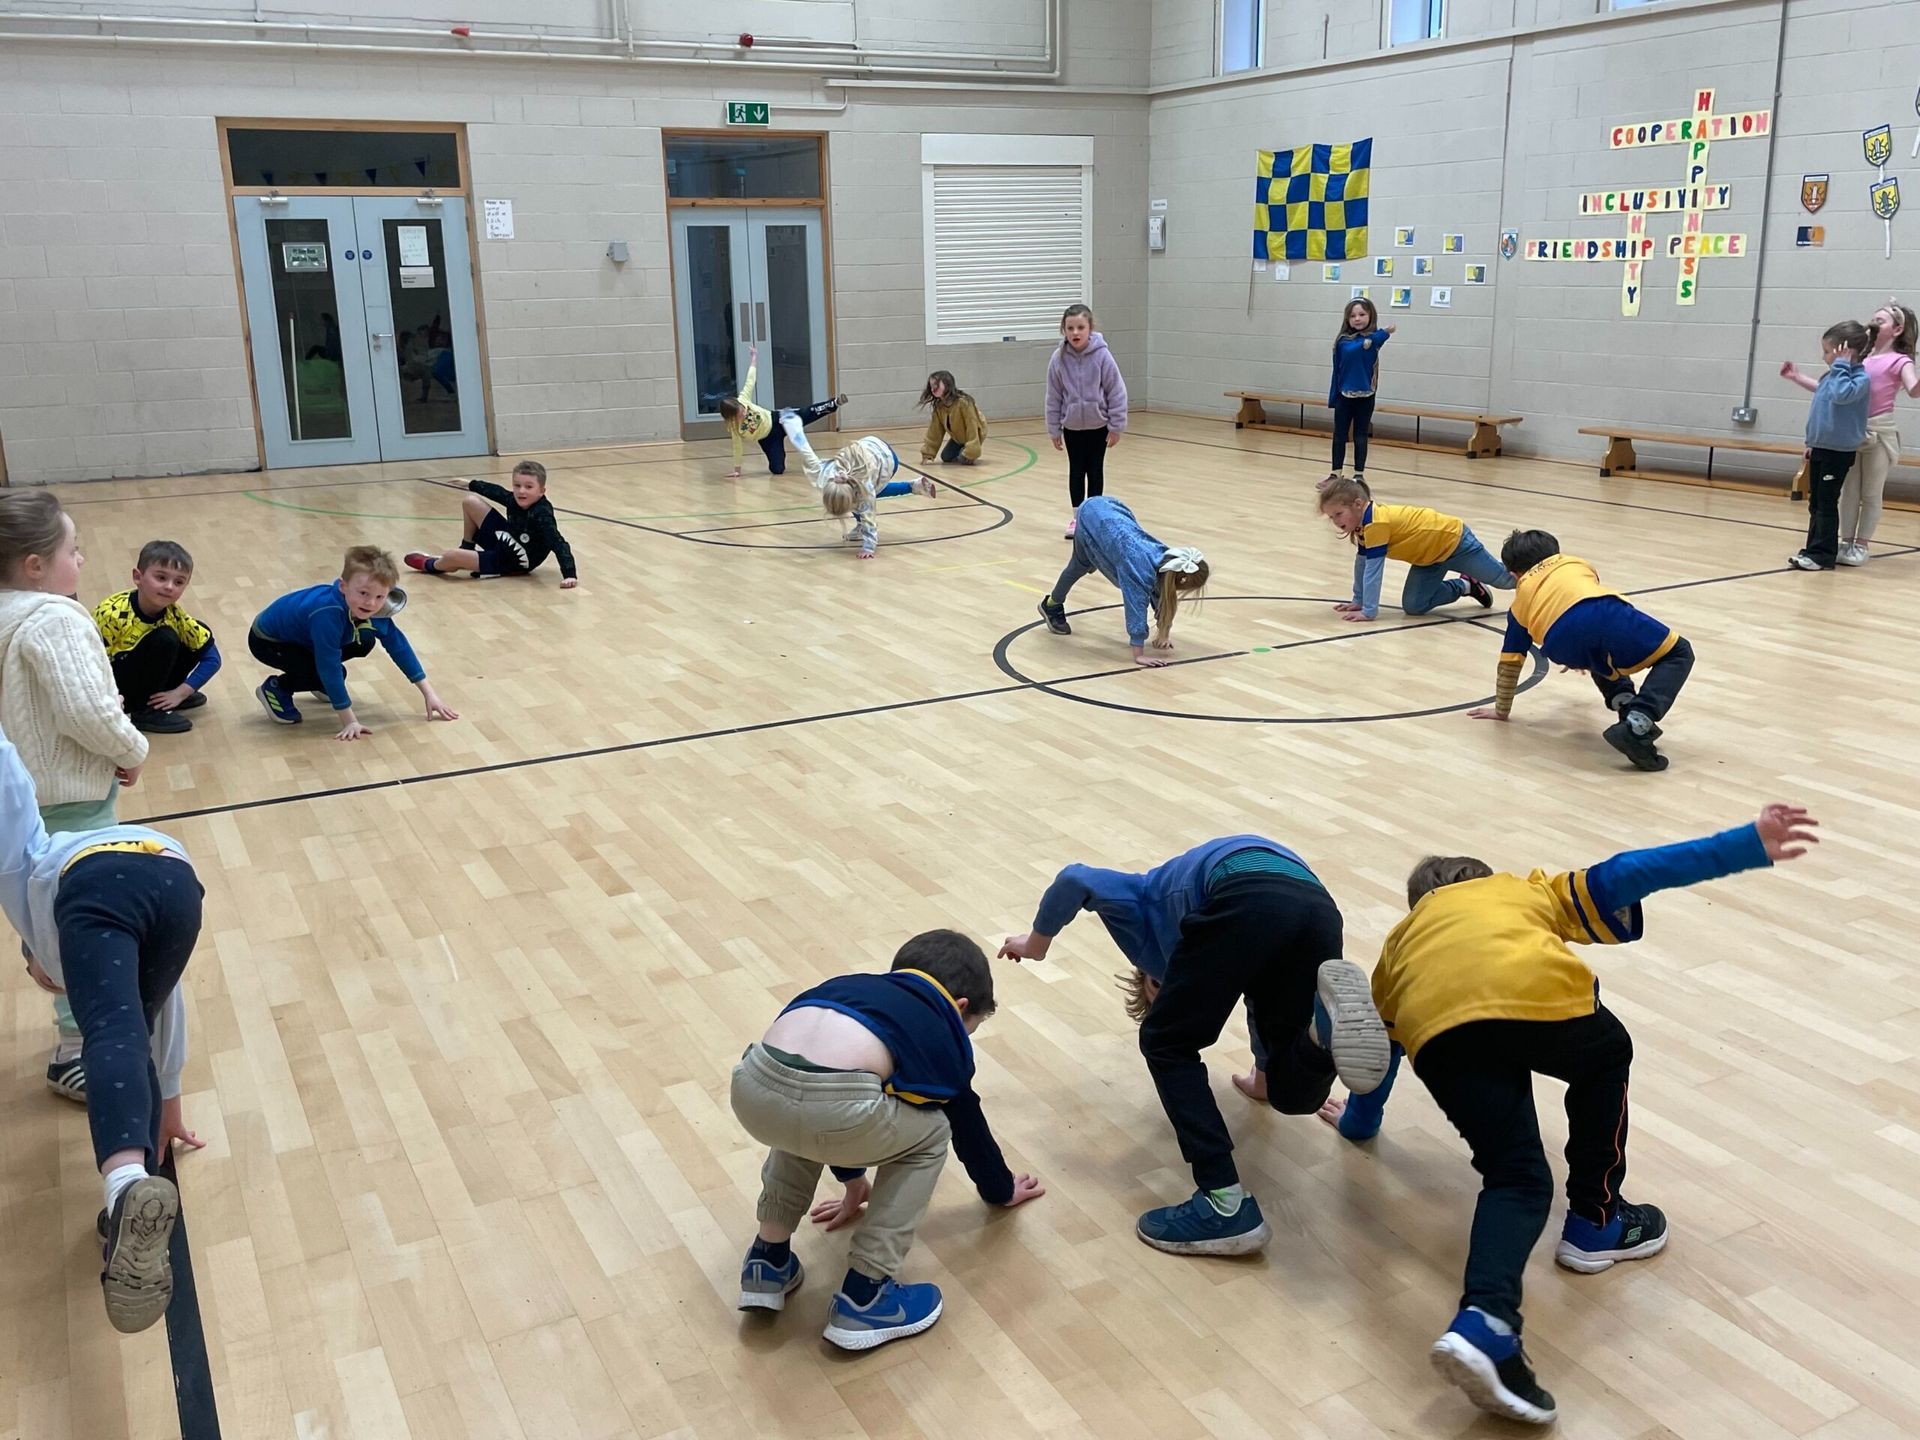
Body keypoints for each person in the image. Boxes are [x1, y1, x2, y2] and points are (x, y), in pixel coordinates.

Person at [1368, 805, 1818, 1425]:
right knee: (1606, 1054)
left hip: (1437, 1031)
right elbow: (1629, 871)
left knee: (1515, 1178)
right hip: (1534, 996)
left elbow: (1377, 1051)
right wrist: (1744, 844)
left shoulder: (1397, 946)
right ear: (1482, 877)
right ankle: (1595, 1221)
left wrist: (1358, 1122)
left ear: (1417, 904)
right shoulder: (1519, 890)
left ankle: (1486, 1323)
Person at [998, 836, 1389, 1256]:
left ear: (1147, 974)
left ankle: (1223, 1203)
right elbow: (1259, 1005)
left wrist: (1035, 945)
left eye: (1160, 989)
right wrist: (1262, 1076)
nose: (1171, 988)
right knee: (1291, 1095)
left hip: (1243, 888)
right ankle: (1320, 1033)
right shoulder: (1215, 941)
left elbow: (1074, 879)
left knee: (1164, 1039)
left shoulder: (1144, 912)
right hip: (1316, 907)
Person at [729, 930, 1043, 1351]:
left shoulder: (852, 988)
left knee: (798, 1107)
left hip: (754, 1086)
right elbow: (965, 1122)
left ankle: (767, 1262)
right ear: (960, 1006)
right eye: (972, 1027)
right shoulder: (939, 1023)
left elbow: (815, 1093)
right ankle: (866, 1296)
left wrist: (852, 1181)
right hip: (830, 1107)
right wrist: (1000, 1190)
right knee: (932, 1132)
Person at [0, 723, 204, 1333]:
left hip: (96, 879)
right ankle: (138, 1194)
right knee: (135, 1025)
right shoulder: (43, 879)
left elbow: (9, 791)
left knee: (111, 1031)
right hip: (175, 875)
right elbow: (167, 1011)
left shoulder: (34, 901)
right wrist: (171, 1103)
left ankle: (123, 1189)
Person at [0, 490, 148, 1106]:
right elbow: (87, 711)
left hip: (17, 803)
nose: (82, 560)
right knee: (80, 926)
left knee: (44, 915)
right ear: (36, 565)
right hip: (69, 802)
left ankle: (78, 1032)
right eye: (73, 549)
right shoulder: (54, 618)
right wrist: (131, 747)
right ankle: (78, 1047)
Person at [1469, 529, 1691, 773]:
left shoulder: (1518, 607)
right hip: (1603, 613)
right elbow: (1584, 599)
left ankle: (1625, 705)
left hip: (1557, 643)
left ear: (1514, 575)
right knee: (1679, 652)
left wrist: (1501, 710)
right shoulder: (1574, 563)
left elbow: (1510, 661)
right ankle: (1638, 722)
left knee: (1598, 658)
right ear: (1555, 553)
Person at [249, 545, 458, 740]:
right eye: (363, 593)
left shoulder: (372, 608)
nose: (371, 603)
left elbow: (398, 646)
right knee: (330, 672)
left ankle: (318, 682)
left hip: (304, 639)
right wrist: (349, 721)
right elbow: (329, 665)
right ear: (343, 586)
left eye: (379, 596)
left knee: (364, 640)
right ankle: (276, 688)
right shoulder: (327, 613)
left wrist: (430, 695)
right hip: (268, 641)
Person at [1783, 300, 1920, 565]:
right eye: (1873, 318)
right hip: (1848, 432)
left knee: (1871, 492)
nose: (1873, 323)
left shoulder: (1900, 361)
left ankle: (1861, 544)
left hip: (1878, 431)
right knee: (1849, 491)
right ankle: (1844, 542)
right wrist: (1798, 378)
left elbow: (1914, 389)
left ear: (1897, 329)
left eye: (1880, 320)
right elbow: (1830, 391)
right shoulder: (1857, 359)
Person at [1034, 495, 1208, 668]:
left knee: (1081, 566)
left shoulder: (1168, 560)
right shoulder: (1139, 571)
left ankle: (1052, 603)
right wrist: (1139, 654)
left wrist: (1164, 633)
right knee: (1079, 566)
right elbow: (1135, 606)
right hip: (1091, 516)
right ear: (1181, 580)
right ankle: (1051, 606)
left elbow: (1163, 592)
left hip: (1111, 510)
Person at [1318, 476, 1512, 621]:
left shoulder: (1376, 523)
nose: (1335, 521)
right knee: (1415, 606)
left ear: (1358, 504)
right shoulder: (1363, 526)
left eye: (1338, 514)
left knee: (1505, 580)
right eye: (1331, 517)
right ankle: (1467, 585)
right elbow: (1361, 564)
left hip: (1455, 543)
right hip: (1429, 558)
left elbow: (1373, 571)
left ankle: (1531, 568)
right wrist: (1358, 600)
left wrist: (1369, 611)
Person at [92, 540, 221, 736]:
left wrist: (182, 691)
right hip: (117, 691)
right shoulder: (111, 614)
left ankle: (162, 697)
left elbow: (213, 659)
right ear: (138, 577)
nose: (169, 587)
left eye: (179, 582)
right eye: (161, 577)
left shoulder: (175, 614)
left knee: (197, 631)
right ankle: (144, 711)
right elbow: (90, 663)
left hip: (143, 676)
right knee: (165, 638)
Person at [1779, 320, 1871, 571]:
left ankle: (1823, 555)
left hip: (1837, 452)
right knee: (1816, 503)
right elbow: (1823, 395)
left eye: (1828, 351)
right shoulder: (1833, 376)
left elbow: (1841, 396)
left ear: (1845, 351)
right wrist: (1797, 377)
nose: (1824, 357)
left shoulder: (1860, 379)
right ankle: (1813, 550)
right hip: (1821, 448)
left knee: (1826, 504)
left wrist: (1841, 365)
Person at [404, 461, 579, 588]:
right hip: (507, 541)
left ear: (541, 491)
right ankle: (467, 547)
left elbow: (559, 543)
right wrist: (471, 484)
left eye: (528, 487)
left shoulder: (542, 515)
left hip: (514, 561)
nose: (521, 491)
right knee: (470, 502)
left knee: (451, 556)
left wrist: (569, 574)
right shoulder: (514, 499)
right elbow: (497, 492)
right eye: (517, 485)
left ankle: (431, 565)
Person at [780, 417, 935, 559]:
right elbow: (804, 449)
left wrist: (869, 547)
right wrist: (791, 423)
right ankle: (915, 486)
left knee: (867, 499)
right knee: (868, 495)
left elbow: (869, 516)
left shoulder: (863, 489)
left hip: (887, 459)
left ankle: (912, 487)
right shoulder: (823, 475)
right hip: (869, 444)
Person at [1046, 304, 1128, 538]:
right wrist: (1054, 429)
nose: (1075, 332)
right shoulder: (1058, 359)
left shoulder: (1102, 355)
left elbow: (1116, 391)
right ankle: (1077, 518)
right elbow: (1053, 396)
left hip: (1098, 426)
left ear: (1090, 329)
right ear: (1063, 330)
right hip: (1072, 427)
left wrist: (1116, 426)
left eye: (1080, 327)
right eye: (1070, 328)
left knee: (1095, 470)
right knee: (1076, 470)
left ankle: (1094, 519)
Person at [718, 344, 847, 478]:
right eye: (740, 415)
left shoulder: (743, 399)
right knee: (777, 469)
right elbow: (737, 447)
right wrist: (737, 469)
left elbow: (750, 380)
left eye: (742, 410)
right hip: (767, 439)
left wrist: (754, 358)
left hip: (776, 420)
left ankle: (833, 404)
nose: (744, 413)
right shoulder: (734, 428)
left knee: (805, 414)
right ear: (731, 418)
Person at [1328, 298, 1394, 483]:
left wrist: (1385, 331)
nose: (1357, 319)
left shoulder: (1374, 340)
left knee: (1360, 435)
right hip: (1344, 395)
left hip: (1366, 396)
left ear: (1371, 316)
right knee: (1339, 435)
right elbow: (1338, 369)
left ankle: (1359, 474)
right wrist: (1334, 396)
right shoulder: (1343, 341)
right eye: (1352, 316)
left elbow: (1380, 336)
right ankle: (1335, 473)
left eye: (1362, 314)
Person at [918, 370, 988, 466]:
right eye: (931, 386)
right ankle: (963, 448)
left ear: (947, 385)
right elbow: (934, 431)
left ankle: (968, 449)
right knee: (946, 457)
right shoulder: (939, 407)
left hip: (977, 431)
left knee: (965, 459)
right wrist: (928, 452)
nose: (933, 389)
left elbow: (972, 425)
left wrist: (972, 451)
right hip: (958, 437)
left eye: (936, 385)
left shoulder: (963, 403)